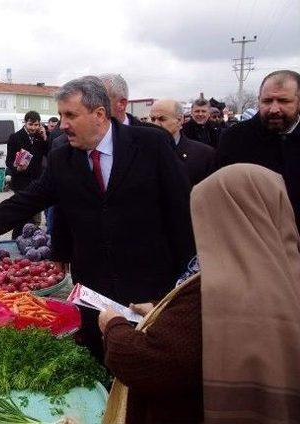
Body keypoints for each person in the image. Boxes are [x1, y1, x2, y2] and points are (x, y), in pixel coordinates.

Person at [0, 77, 194, 362]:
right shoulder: (62, 158)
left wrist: (182, 287)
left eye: (70, 115)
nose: (62, 124)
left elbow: (182, 213)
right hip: (94, 291)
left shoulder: (151, 144)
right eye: (60, 115)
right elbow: (24, 202)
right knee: (101, 362)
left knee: (149, 366)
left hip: (149, 289)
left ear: (99, 114)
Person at [99, 164, 300, 424]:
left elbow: (148, 363)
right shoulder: (287, 274)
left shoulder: (216, 292)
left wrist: (113, 326)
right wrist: (161, 313)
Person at [217, 70, 300, 231]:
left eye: (283, 101)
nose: (274, 108)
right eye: (267, 101)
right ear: (258, 101)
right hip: (251, 239)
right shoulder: (234, 138)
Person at [150, 99, 216, 185]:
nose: (156, 124)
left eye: (162, 119)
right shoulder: (141, 152)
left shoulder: (205, 154)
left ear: (180, 120)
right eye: (152, 119)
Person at [5, 110, 49, 238]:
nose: (33, 128)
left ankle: (33, 240)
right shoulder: (15, 137)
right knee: (22, 213)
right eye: (31, 124)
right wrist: (16, 167)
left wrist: (45, 137)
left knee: (35, 215)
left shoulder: (40, 137)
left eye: (36, 125)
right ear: (25, 123)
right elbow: (8, 160)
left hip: (36, 181)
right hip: (20, 182)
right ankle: (17, 238)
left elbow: (49, 153)